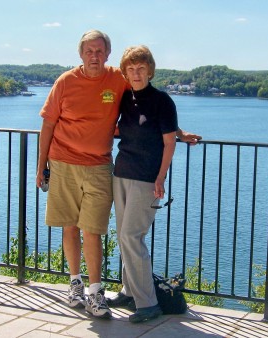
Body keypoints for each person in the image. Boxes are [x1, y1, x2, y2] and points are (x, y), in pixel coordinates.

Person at [36, 30, 201, 319]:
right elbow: (50, 125)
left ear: (108, 54)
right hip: (86, 167)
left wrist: (178, 134)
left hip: (111, 169)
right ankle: (94, 287)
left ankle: (116, 295)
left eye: (100, 51)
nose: (94, 56)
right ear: (81, 54)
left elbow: (156, 116)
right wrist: (42, 167)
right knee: (83, 229)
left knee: (106, 232)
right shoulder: (78, 84)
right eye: (89, 51)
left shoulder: (126, 84)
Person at [107, 45, 177, 323]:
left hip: (147, 179)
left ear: (150, 70)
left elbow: (169, 141)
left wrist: (161, 178)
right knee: (124, 235)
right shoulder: (125, 97)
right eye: (131, 69)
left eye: (141, 68)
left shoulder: (162, 101)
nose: (136, 74)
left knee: (131, 237)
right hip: (121, 173)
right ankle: (129, 290)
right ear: (125, 72)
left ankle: (148, 304)